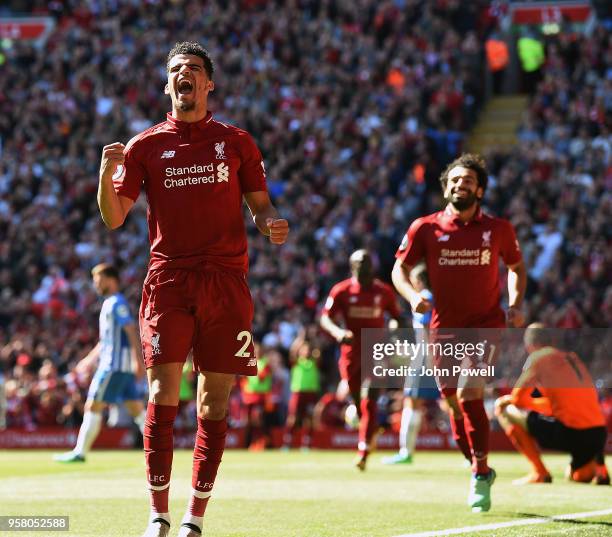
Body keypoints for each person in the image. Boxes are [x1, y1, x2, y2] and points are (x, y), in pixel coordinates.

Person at [97, 42, 289, 537]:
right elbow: (114, 217)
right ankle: (158, 514)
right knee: (162, 394)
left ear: (209, 84)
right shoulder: (144, 147)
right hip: (168, 281)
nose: (185, 74)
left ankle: (194, 517)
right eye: (176, 69)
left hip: (225, 282)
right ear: (168, 85)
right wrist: (104, 175)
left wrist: (272, 222)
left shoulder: (238, 142)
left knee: (213, 405)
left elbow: (260, 206)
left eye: (195, 69)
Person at [392, 153, 526, 512]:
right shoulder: (425, 227)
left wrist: (514, 302)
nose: (459, 185)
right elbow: (399, 270)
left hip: (486, 325)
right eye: (454, 180)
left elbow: (515, 267)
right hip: (442, 329)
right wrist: (413, 295)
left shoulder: (499, 230)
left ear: (479, 189)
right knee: (451, 402)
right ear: (446, 187)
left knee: (469, 394)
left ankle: (480, 473)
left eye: (467, 181)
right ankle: (478, 465)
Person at [495, 323, 609, 485]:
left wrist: (509, 400)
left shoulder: (538, 357)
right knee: (577, 476)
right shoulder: (572, 358)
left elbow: (517, 398)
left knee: (503, 408)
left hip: (572, 433)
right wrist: (542, 406)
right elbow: (570, 402)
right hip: (598, 435)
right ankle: (599, 469)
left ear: (529, 345)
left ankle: (539, 472)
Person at [54, 263, 145, 462]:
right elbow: (106, 341)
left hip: (113, 366)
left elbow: (130, 331)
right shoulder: (110, 303)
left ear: (111, 280)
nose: (96, 285)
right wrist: (88, 360)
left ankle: (80, 452)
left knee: (92, 406)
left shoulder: (116, 303)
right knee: (137, 410)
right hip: (122, 367)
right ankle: (162, 448)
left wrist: (139, 360)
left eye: (99, 280)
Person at [320, 249, 402, 471]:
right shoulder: (342, 291)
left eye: (367, 262)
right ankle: (369, 431)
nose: (364, 266)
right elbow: (325, 318)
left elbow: (398, 318)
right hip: (351, 354)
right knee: (359, 403)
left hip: (376, 351)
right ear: (352, 266)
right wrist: (338, 333)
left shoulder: (383, 292)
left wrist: (394, 334)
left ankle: (363, 451)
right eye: (360, 263)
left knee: (369, 400)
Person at [383, 264, 440, 465]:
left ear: (418, 281)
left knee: (412, 401)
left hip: (426, 355)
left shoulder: (423, 297)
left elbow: (426, 328)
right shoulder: (436, 297)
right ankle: (470, 452)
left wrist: (427, 358)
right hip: (439, 354)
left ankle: (406, 452)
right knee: (452, 403)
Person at [282, 333, 321, 450]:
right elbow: (292, 352)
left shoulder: (314, 363)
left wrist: (314, 339)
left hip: (311, 393)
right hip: (298, 393)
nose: (306, 352)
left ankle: (306, 444)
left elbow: (319, 353)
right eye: (304, 350)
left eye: (308, 350)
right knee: (293, 418)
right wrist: (299, 339)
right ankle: (287, 443)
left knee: (308, 419)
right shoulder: (296, 363)